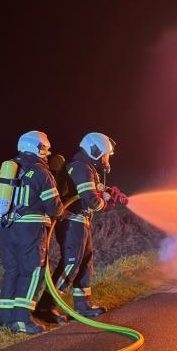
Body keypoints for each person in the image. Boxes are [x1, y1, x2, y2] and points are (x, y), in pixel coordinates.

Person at [34, 132, 126, 323]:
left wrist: (108, 192)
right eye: (105, 154)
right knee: (71, 263)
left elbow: (92, 191)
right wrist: (105, 203)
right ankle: (46, 306)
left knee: (85, 262)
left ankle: (82, 305)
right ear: (95, 151)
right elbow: (91, 200)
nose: (107, 159)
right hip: (71, 222)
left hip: (80, 221)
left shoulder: (85, 167)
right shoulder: (81, 167)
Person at [0, 131, 64, 334]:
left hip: (7, 229)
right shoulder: (42, 173)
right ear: (38, 148)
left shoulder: (5, 170)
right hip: (31, 231)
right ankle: (22, 320)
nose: (47, 154)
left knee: (12, 271)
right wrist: (62, 210)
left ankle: (6, 319)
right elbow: (54, 208)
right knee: (32, 272)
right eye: (45, 150)